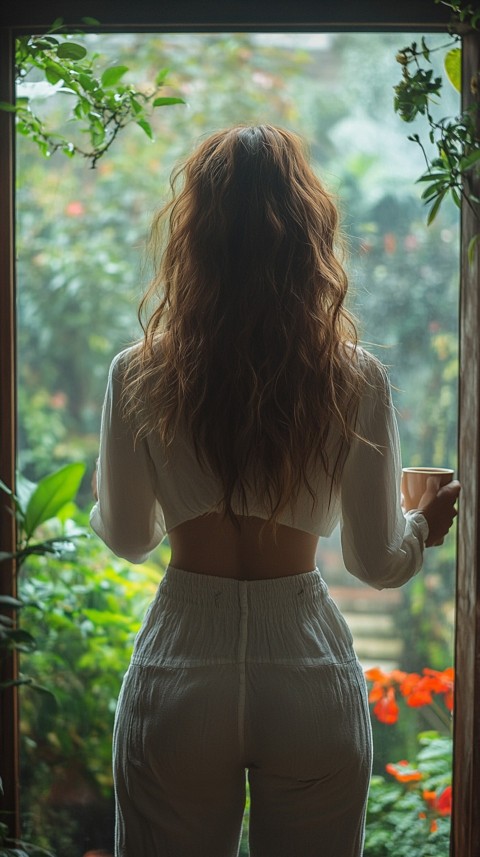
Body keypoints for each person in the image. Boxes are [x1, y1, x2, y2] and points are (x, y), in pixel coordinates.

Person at [90, 124, 460, 857]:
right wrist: (421, 523)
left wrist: (116, 490)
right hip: (307, 670)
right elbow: (377, 561)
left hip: (179, 667)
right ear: (307, 234)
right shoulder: (355, 376)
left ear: (192, 237)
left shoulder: (138, 371)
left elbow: (131, 536)